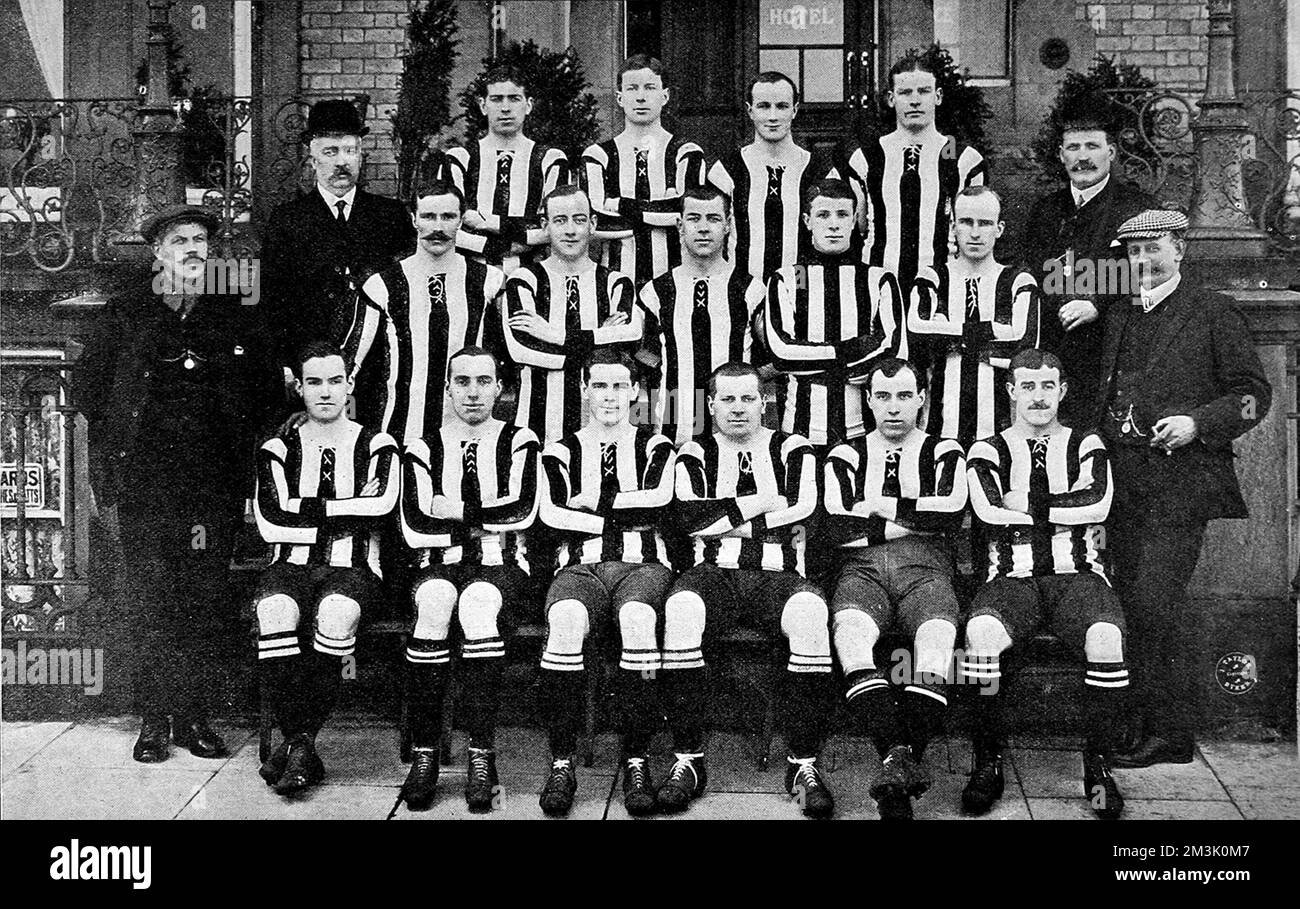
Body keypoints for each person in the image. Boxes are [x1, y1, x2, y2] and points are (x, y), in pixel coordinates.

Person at [76, 203, 280, 763]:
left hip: (210, 483)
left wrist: (238, 444)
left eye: (200, 240)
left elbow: (265, 390)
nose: (193, 249)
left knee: (203, 596)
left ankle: (194, 716)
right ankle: (153, 718)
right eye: (180, 240)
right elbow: (90, 390)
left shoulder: (235, 312)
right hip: (145, 483)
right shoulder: (127, 313)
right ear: (158, 251)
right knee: (149, 597)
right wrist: (120, 448)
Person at [1096, 210, 1271, 768]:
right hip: (1123, 485)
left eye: (1153, 250)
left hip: (1180, 486)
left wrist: (1197, 423)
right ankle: (1142, 722)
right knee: (1130, 605)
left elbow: (1252, 395)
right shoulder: (1122, 314)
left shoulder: (1212, 309)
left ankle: (1171, 733)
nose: (1142, 261)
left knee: (1155, 605)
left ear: (1178, 250)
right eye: (1133, 252)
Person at [661, 362, 835, 818]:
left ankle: (803, 765)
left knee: (811, 615)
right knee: (680, 609)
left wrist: (726, 521)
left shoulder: (793, 447)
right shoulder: (693, 452)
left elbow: (805, 507)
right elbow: (691, 520)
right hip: (712, 575)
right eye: (728, 400)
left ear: (764, 402)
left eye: (747, 399)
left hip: (779, 576)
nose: (738, 409)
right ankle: (688, 759)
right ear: (711, 404)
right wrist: (761, 505)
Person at [961, 349, 1127, 819]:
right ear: (1011, 390)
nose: (1038, 396)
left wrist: (1028, 504)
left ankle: (1097, 769)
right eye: (1028, 386)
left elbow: (1096, 504)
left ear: (1062, 391)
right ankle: (987, 762)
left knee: (1105, 636)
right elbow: (990, 510)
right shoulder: (987, 448)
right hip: (1012, 576)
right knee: (982, 635)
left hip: (1077, 576)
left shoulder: (1086, 442)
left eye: (1047, 386)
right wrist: (1056, 507)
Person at [252, 341, 400, 795]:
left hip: (354, 567)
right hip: (289, 566)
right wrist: (343, 511)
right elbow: (271, 521)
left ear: (350, 384)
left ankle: (296, 745)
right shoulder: (278, 446)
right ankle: (302, 746)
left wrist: (306, 510)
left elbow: (381, 507)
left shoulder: (378, 443)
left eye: (335, 381)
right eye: (314, 382)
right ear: (299, 388)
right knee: (274, 611)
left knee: (337, 614)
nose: (326, 391)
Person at [823, 357, 968, 820]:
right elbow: (837, 526)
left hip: (926, 571)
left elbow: (949, 514)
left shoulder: (945, 452)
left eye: (905, 395)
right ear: (867, 400)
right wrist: (913, 517)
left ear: (922, 400)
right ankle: (900, 762)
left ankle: (893, 773)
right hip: (861, 570)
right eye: (882, 395)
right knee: (850, 636)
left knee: (937, 642)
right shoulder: (845, 454)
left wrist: (876, 508)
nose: (893, 407)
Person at [534, 349, 677, 817]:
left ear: (635, 391)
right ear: (584, 390)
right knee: (566, 621)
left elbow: (658, 502)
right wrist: (620, 513)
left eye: (619, 386)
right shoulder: (559, 450)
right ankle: (561, 763)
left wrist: (589, 502)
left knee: (638, 620)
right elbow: (552, 513)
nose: (610, 395)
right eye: (600, 385)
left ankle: (636, 760)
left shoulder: (657, 446)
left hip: (644, 567)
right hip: (579, 569)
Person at [397, 346, 540, 811]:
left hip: (501, 565)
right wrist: (483, 518)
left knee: (479, 603)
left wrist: (455, 509)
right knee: (436, 600)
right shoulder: (422, 446)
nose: (473, 392)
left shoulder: (521, 441)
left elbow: (521, 510)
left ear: (500, 388)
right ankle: (425, 754)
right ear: (447, 388)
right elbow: (417, 521)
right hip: (436, 564)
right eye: (462, 382)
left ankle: (482, 753)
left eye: (484, 381)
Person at [1020, 101, 1155, 425]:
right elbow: (1030, 274)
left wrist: (1097, 304)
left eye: (1092, 146)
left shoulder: (1136, 209)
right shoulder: (1045, 211)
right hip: (1054, 359)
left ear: (1110, 152)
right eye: (1074, 147)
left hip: (1112, 356)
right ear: (1061, 154)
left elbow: (1152, 278)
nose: (1083, 157)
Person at [343, 180, 506, 442]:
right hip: (402, 432)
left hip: (470, 433)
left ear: (461, 221)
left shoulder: (489, 280)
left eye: (448, 217)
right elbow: (348, 364)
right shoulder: (382, 284)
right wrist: (336, 422)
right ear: (413, 219)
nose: (438, 227)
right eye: (429, 216)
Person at [261, 99, 412, 375]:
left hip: (376, 364)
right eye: (330, 151)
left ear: (361, 155)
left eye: (349, 151)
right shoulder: (287, 220)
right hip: (311, 365)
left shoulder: (390, 216)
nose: (342, 161)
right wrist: (285, 364)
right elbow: (272, 299)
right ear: (312, 159)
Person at [762, 178, 906, 449]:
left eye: (842, 215)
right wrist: (849, 352)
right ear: (807, 221)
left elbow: (893, 351)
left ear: (853, 221)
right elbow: (782, 352)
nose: (833, 224)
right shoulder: (788, 278)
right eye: (823, 215)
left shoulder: (879, 279)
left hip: (864, 429)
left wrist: (812, 360)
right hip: (798, 427)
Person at [500, 184, 642, 445]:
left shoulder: (616, 282)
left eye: (579, 220)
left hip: (600, 427)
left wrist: (554, 334)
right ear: (545, 226)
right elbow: (522, 349)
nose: (570, 230)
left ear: (592, 223)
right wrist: (597, 342)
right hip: (536, 423)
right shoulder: (524, 279)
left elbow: (626, 339)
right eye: (560, 220)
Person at [838, 52, 987, 296]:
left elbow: (974, 234)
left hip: (944, 287)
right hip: (878, 286)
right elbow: (860, 226)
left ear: (938, 96)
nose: (915, 100)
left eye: (924, 91)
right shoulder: (865, 158)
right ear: (891, 99)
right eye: (905, 93)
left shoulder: (965, 160)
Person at [908, 186, 1040, 447]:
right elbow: (917, 334)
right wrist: (997, 330)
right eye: (967, 222)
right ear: (953, 226)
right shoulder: (932, 277)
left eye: (985, 223)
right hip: (938, 427)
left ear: (999, 229)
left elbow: (1024, 343)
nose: (976, 233)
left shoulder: (1018, 280)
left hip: (1001, 428)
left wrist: (947, 332)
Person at [639, 185, 757, 448]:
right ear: (680, 225)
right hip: (672, 435)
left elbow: (768, 361)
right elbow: (644, 359)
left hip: (735, 438)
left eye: (713, 219)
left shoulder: (751, 289)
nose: (703, 228)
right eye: (694, 219)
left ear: (727, 225)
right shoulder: (655, 292)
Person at [583, 54, 707, 289]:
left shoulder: (686, 152)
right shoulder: (598, 155)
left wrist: (620, 205)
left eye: (650, 87)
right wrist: (664, 209)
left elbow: (689, 215)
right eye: (632, 88)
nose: (640, 97)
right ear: (620, 98)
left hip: (674, 281)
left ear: (665, 96)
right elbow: (595, 223)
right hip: (615, 279)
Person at [442, 64, 570, 274]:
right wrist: (498, 246)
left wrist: (488, 223)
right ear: (483, 105)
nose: (505, 108)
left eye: (514, 98)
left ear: (528, 105)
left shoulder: (550, 160)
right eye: (496, 99)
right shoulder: (459, 159)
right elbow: (448, 223)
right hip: (470, 274)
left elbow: (556, 226)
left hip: (533, 272)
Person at [707, 71, 825, 285]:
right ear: (750, 111)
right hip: (741, 290)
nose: (773, 116)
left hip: (800, 286)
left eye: (781, 106)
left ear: (794, 110)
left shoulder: (818, 170)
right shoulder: (725, 170)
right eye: (763, 106)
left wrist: (799, 293)